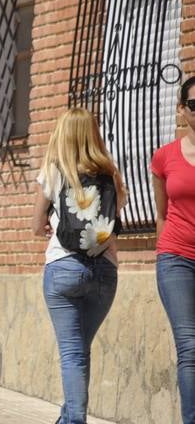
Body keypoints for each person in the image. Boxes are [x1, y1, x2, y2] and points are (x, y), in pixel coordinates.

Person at [32, 107, 126, 424]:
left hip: (63, 267)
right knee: (80, 351)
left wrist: (47, 221)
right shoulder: (111, 173)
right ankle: (67, 417)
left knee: (73, 352)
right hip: (105, 271)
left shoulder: (54, 169)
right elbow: (114, 217)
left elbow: (36, 224)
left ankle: (74, 420)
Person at [152, 76, 195, 424]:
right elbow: (161, 213)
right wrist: (164, 252)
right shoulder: (164, 156)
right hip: (177, 258)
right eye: (194, 104)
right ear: (182, 109)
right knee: (191, 347)